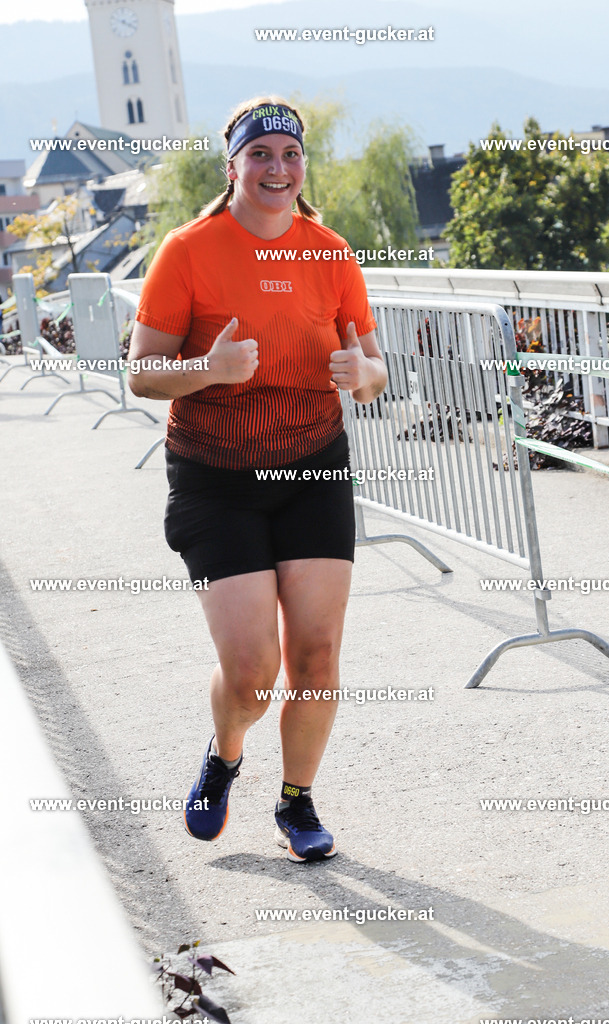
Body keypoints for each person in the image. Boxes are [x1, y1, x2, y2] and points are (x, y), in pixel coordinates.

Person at [128, 96, 387, 863]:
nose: (277, 168)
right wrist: (208, 369)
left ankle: (298, 802)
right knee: (252, 675)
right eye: (261, 154)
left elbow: (377, 372)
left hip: (311, 465)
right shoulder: (187, 250)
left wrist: (361, 373)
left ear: (302, 167)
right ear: (233, 166)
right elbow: (142, 374)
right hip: (216, 477)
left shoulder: (331, 252)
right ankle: (226, 750)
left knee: (316, 654)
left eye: (289, 155)